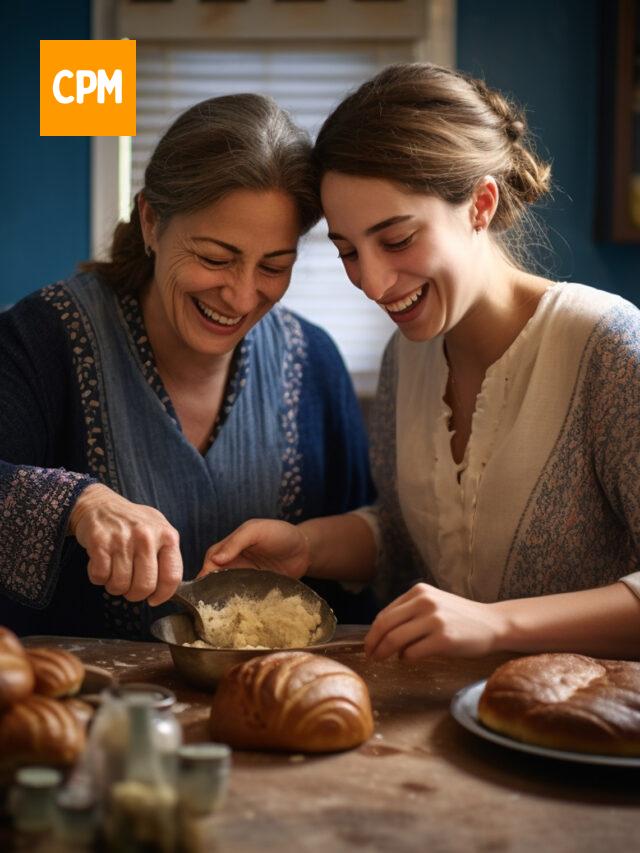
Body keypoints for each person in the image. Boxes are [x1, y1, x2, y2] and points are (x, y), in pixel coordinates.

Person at [201, 63, 640, 662]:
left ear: (480, 205)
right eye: (349, 251)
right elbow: (417, 538)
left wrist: (499, 626)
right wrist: (307, 546)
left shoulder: (610, 348)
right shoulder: (404, 360)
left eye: (398, 239)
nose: (374, 283)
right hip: (450, 729)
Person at [0, 93, 375, 639]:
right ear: (151, 222)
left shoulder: (313, 362)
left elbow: (370, 556)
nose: (242, 295)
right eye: (215, 258)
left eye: (274, 265)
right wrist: (78, 502)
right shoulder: (41, 339)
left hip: (271, 707)